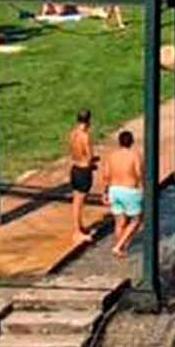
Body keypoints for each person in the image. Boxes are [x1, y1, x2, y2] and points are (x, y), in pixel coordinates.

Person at [101, 130, 144, 259]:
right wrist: (143, 189)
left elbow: (106, 175)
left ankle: (121, 249)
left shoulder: (111, 156)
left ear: (119, 142)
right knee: (137, 220)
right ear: (132, 142)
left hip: (114, 190)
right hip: (130, 190)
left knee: (120, 222)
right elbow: (139, 174)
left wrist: (104, 192)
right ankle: (119, 246)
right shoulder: (135, 156)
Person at [68, 111, 97, 245]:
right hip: (83, 170)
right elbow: (89, 156)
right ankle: (76, 232)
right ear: (88, 120)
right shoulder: (85, 136)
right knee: (79, 203)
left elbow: (73, 150)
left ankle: (79, 227)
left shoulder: (72, 133)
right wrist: (93, 162)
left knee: (76, 201)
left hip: (74, 168)